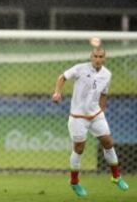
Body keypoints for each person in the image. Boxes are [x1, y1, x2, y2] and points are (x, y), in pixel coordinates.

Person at [52, 44, 129, 197]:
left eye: (101, 57)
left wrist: (101, 110)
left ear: (104, 58)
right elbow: (62, 77)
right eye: (95, 56)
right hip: (78, 117)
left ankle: (116, 176)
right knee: (79, 148)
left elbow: (104, 94)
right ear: (91, 57)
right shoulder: (80, 68)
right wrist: (57, 93)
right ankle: (74, 182)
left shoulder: (107, 74)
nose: (98, 59)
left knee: (108, 142)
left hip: (96, 115)